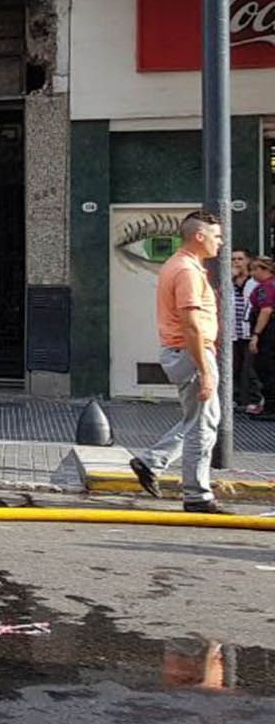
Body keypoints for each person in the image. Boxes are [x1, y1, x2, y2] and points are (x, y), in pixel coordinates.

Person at [130, 211, 229, 513]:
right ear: (199, 236)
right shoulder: (186, 270)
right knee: (204, 426)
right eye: (216, 236)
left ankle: (150, 462)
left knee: (198, 420)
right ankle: (197, 495)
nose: (221, 242)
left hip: (184, 351)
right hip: (191, 352)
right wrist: (205, 370)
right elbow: (191, 325)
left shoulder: (180, 265)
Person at [232, 249, 261, 410]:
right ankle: (236, 399)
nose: (236, 262)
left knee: (250, 368)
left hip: (249, 330)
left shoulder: (254, 282)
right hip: (233, 331)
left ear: (248, 261)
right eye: (233, 259)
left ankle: (255, 399)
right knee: (234, 366)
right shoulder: (228, 280)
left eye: (240, 259)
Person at [250, 257, 275, 417]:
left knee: (266, 368)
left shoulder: (265, 288)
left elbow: (265, 310)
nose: (252, 273)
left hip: (269, 333)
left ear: (264, 270)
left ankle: (271, 407)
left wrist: (256, 334)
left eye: (254, 269)